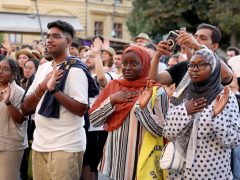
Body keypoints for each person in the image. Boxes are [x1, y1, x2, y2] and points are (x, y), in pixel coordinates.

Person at [21, 20, 98, 180]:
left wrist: (54, 90)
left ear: (68, 42)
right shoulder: (43, 68)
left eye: (56, 36)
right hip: (39, 144)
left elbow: (80, 109)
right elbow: (26, 108)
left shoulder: (76, 69)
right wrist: (43, 86)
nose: (49, 40)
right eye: (48, 36)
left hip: (66, 146)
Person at [89, 46, 168, 180]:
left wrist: (142, 109)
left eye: (134, 63)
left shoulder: (156, 91)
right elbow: (94, 120)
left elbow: (161, 131)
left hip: (140, 169)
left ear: (145, 65)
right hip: (110, 166)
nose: (127, 67)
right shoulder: (114, 86)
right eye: (125, 63)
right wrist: (112, 100)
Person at [163, 48, 240, 179]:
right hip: (179, 172)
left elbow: (232, 141)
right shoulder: (182, 93)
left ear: (215, 68)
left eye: (202, 64)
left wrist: (217, 116)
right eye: (192, 65)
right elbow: (167, 132)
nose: (194, 69)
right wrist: (184, 111)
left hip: (211, 173)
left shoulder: (225, 96)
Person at [149, 23, 233, 87]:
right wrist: (157, 55)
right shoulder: (184, 66)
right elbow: (154, 80)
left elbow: (226, 76)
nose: (196, 40)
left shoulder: (219, 63)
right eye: (195, 37)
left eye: (203, 38)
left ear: (214, 46)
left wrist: (198, 46)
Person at [0, 58, 27, 180]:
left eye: (5, 69)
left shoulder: (18, 92)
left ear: (14, 74)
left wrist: (8, 102)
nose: (0, 71)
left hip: (10, 145)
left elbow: (20, 119)